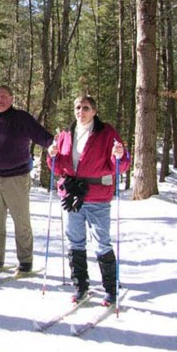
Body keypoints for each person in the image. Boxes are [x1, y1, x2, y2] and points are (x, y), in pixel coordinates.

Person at [47, 94, 129, 306]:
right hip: (72, 194)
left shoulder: (106, 132)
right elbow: (56, 165)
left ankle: (110, 289)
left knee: (101, 241)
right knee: (75, 240)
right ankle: (80, 285)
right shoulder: (66, 133)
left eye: (85, 108)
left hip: (97, 195)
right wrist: (51, 154)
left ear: (94, 111)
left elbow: (121, 164)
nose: (80, 112)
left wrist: (119, 154)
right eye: (77, 108)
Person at [0, 84, 54, 274]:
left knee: (21, 221)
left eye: (3, 96)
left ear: (11, 99)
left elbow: (42, 135)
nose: (0, 100)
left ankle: (25, 260)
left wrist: (52, 144)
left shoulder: (21, 118)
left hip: (16, 179)